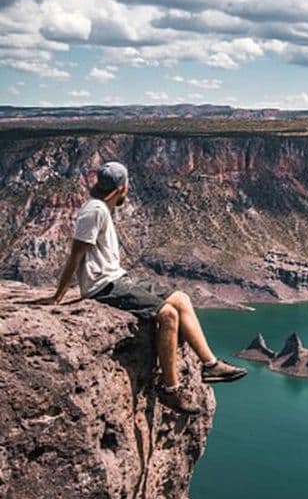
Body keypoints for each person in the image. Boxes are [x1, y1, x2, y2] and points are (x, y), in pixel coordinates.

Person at [42, 161, 246, 415]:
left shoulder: (102, 208)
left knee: (181, 298)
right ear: (121, 187)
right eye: (127, 187)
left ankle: (210, 364)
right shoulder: (93, 212)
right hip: (103, 286)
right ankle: (170, 390)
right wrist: (58, 296)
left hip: (119, 277)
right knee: (168, 314)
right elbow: (75, 256)